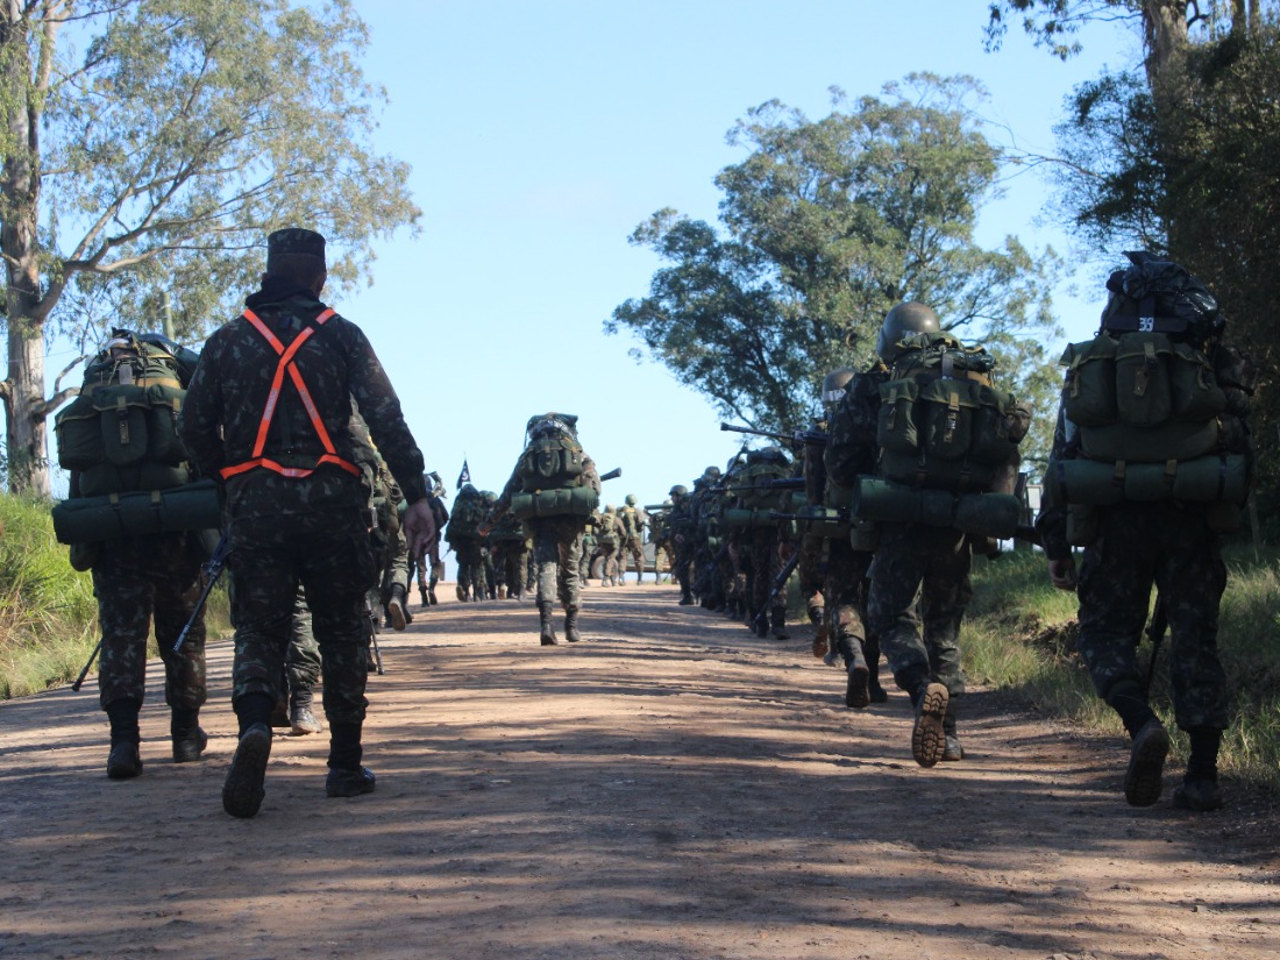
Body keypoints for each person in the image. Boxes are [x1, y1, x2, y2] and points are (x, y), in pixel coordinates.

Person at [181, 227, 437, 818]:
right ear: (320, 278)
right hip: (332, 506)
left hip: (256, 508)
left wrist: (230, 479)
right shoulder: (343, 337)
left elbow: (192, 427)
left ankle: (254, 726)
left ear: (268, 274)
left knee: (259, 628)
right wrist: (415, 495)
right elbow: (385, 417)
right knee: (343, 630)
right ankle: (345, 766)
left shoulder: (226, 342)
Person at [1035, 253, 1253, 811]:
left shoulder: (1096, 365)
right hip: (1191, 521)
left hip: (1115, 519)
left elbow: (1065, 452)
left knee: (1104, 637)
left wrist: (1056, 542)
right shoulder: (1205, 359)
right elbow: (1239, 444)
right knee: (1195, 643)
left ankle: (1141, 724)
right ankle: (1202, 777)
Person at [828, 302, 1029, 767]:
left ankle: (921, 689)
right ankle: (952, 733)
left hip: (900, 515)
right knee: (945, 624)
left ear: (888, 339)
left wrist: (859, 497)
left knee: (889, 613)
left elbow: (840, 459)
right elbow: (1005, 451)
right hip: (960, 521)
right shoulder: (975, 376)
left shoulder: (877, 381)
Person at [57, 330, 211, 778]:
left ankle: (124, 744)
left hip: (114, 534)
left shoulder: (94, 392)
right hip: (175, 534)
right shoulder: (171, 382)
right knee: (183, 638)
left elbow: (78, 473)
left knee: (122, 640)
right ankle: (185, 736)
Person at [484, 413, 601, 645]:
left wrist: (489, 522)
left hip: (539, 519)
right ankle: (572, 626)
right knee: (570, 569)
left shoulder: (529, 454)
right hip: (570, 520)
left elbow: (509, 491)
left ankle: (546, 624)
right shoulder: (578, 453)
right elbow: (594, 488)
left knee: (545, 567)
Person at [618, 494, 648, 584]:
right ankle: (639, 579)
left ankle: (621, 578)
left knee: (623, 557)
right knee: (639, 557)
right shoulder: (637, 511)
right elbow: (640, 527)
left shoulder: (620, 510)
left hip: (623, 538)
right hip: (634, 537)